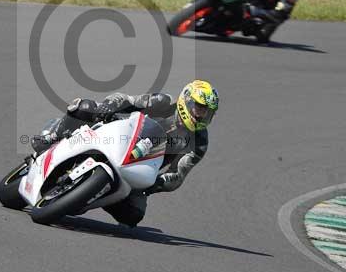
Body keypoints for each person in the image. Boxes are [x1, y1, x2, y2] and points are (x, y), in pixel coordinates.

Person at [30, 80, 219, 227]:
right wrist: (109, 106)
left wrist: (155, 184)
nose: (201, 114)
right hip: (120, 135)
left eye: (207, 112)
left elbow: (178, 175)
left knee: (133, 216)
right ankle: (51, 137)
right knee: (85, 106)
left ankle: (93, 194)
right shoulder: (165, 102)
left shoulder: (199, 143)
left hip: (141, 166)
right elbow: (127, 99)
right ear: (186, 99)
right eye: (199, 107)